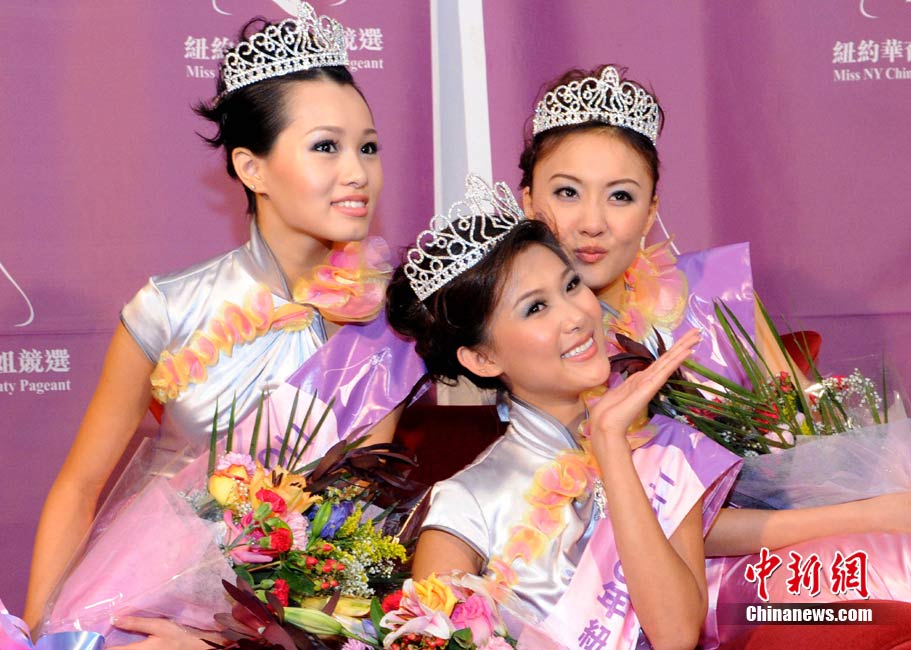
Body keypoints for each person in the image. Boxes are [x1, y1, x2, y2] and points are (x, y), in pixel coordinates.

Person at [24, 3, 424, 646]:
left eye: (368, 147)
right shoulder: (168, 309)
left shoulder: (389, 323)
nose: (358, 173)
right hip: (139, 616)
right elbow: (80, 486)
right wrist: (43, 636)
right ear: (250, 167)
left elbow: (353, 529)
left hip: (292, 629)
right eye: (326, 146)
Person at [517, 64, 911, 646]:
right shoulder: (537, 348)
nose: (592, 223)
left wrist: (874, 501)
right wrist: (866, 517)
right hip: (664, 587)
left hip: (800, 541)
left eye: (620, 196)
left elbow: (811, 447)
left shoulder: (718, 292)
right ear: (528, 200)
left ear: (651, 210)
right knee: (892, 572)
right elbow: (628, 526)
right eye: (567, 192)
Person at [387, 175, 743, 650]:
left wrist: (611, 445)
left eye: (571, 285)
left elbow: (676, 633)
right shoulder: (469, 500)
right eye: (536, 308)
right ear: (482, 359)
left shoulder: (663, 449)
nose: (576, 315)